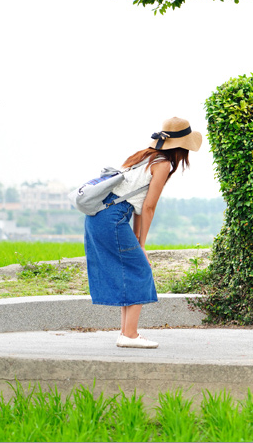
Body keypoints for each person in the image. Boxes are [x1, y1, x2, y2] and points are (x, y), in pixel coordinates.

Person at [83, 117, 202, 349]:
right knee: (139, 269)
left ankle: (126, 333)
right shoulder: (163, 164)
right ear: (181, 147)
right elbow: (148, 207)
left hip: (101, 215)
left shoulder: (142, 157)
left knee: (130, 270)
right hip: (112, 217)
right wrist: (142, 245)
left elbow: (136, 205)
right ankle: (130, 334)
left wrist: (139, 241)